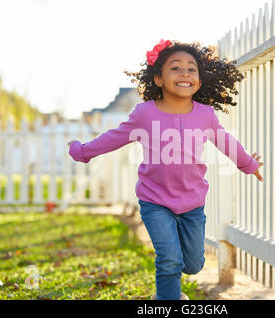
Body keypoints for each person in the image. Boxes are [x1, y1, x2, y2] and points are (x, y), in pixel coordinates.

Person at [68, 39, 264, 300]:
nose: (184, 73)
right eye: (175, 68)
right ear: (158, 79)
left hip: (192, 202)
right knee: (169, 259)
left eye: (191, 69)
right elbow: (115, 136)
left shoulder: (205, 115)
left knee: (193, 264)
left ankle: (175, 278)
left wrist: (247, 164)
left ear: (200, 79)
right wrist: (83, 151)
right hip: (154, 200)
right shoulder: (145, 114)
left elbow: (225, 141)